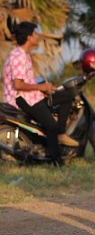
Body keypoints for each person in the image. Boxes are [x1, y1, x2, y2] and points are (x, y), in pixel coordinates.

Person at [3, 21, 79, 162]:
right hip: (20, 98)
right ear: (29, 37)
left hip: (30, 95)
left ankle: (61, 134)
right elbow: (18, 85)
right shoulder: (18, 56)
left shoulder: (24, 55)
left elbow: (26, 81)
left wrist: (43, 89)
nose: (38, 36)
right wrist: (41, 88)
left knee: (67, 97)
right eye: (35, 34)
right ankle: (56, 160)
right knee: (51, 125)